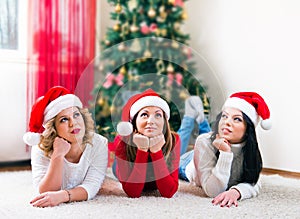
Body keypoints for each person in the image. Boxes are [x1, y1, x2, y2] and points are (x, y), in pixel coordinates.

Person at [178, 91, 271, 207]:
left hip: (212, 145)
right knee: (174, 153)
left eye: (236, 119)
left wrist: (236, 191)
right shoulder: (204, 142)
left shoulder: (249, 147)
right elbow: (213, 191)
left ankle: (201, 120)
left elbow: (253, 181)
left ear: (249, 128)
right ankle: (189, 117)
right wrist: (225, 153)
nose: (227, 122)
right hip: (189, 163)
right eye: (224, 116)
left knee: (210, 137)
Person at [23, 86, 108, 207]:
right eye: (64, 120)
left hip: (84, 186)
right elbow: (45, 192)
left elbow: (91, 186)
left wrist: (63, 196)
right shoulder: (40, 147)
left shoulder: (99, 143)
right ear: (54, 128)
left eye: (76, 115)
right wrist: (57, 155)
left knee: (109, 186)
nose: (73, 123)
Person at [113, 89, 180, 198]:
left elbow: (168, 192)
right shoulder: (122, 141)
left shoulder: (174, 139)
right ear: (134, 121)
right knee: (117, 170)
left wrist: (156, 151)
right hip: (125, 168)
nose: (151, 121)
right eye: (144, 114)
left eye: (158, 115)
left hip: (161, 168)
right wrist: (142, 150)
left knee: (183, 170)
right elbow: (133, 192)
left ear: (164, 122)